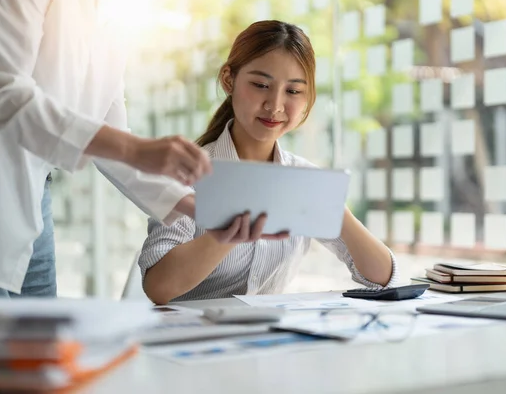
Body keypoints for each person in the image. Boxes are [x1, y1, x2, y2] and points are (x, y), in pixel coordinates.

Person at [138, 20, 399, 305]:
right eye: (261, 85)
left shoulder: (302, 179)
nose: (275, 105)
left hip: (268, 340)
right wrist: (231, 233)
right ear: (229, 80)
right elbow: (158, 287)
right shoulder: (188, 172)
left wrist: (337, 210)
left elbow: (383, 279)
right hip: (188, 339)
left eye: (293, 91)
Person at [0, 0, 211, 300]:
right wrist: (135, 149)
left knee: (43, 342)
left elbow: (110, 133)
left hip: (32, 200)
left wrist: (201, 206)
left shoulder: (113, 18)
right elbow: (3, 95)